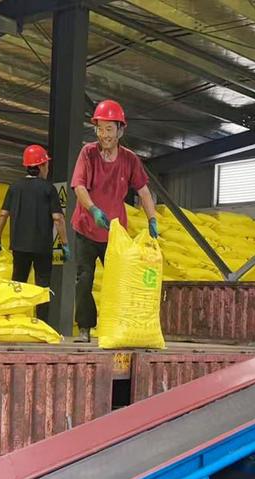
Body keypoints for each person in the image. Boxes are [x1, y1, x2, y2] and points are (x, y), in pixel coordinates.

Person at [71, 99, 159, 343]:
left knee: (120, 280)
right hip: (86, 228)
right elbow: (79, 186)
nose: (104, 135)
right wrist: (93, 210)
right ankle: (85, 328)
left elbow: (143, 191)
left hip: (115, 233)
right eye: (100, 129)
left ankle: (117, 327)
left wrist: (152, 218)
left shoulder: (130, 160)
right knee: (84, 279)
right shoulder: (88, 153)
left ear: (120, 130)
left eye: (109, 129)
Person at [0, 144, 70, 324]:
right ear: (42, 165)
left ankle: (13, 320)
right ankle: (40, 324)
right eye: (47, 164)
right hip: (42, 247)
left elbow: (3, 214)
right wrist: (65, 244)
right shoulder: (49, 189)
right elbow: (58, 218)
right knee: (43, 286)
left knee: (18, 283)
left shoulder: (14, 187)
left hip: (19, 245)